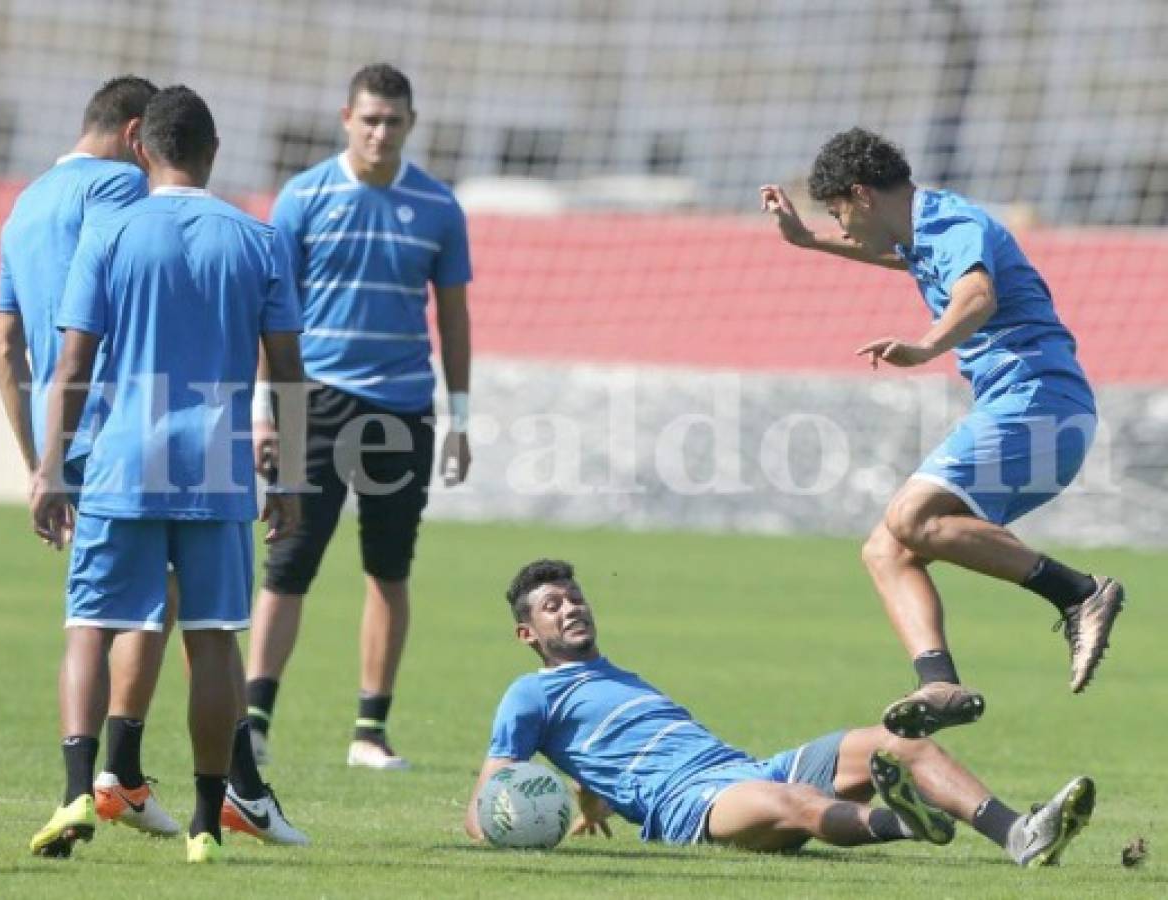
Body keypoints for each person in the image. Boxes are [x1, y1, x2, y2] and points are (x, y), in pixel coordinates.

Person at [759, 128, 1123, 738]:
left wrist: (925, 346)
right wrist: (807, 241)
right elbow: (896, 258)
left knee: (911, 515)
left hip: (1038, 400)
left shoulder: (951, 221)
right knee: (887, 549)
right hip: (1032, 410)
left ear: (862, 194)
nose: (842, 226)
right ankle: (939, 682)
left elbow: (976, 296)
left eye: (838, 213)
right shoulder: (924, 235)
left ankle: (1079, 593)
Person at [29, 86, 307, 863]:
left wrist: (52, 467)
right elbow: (287, 374)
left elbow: (75, 365)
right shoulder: (258, 241)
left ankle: (79, 789)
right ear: (213, 153)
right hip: (217, 462)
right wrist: (285, 481)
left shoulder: (109, 232)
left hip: (123, 457)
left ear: (141, 150)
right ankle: (207, 824)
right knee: (214, 636)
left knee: (92, 622)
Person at [466, 559, 1094, 867]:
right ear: (527, 634)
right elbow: (492, 786)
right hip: (690, 809)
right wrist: (499, 825)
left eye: (575, 598)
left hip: (745, 768)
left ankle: (1019, 832)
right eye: (552, 606)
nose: (571, 608)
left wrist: (590, 801)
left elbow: (601, 755)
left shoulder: (618, 678)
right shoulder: (531, 694)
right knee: (795, 804)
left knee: (900, 743)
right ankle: (907, 825)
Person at [245, 62, 473, 770]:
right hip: (315, 401)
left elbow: (455, 318)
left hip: (403, 405)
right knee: (288, 564)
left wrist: (459, 417)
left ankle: (368, 732)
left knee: (388, 570)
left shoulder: (437, 207)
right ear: (347, 117)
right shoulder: (303, 197)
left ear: (411, 124)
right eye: (369, 118)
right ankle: (253, 720)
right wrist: (266, 411)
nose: (379, 131)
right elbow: (273, 314)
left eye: (393, 121)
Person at [0, 75, 183, 841]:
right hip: (131, 425)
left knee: (116, 601)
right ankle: (110, 779)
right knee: (149, 598)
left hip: (69, 439)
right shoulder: (120, 190)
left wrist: (44, 459)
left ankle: (115, 779)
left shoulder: (25, 203)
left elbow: (6, 349)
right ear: (138, 133)